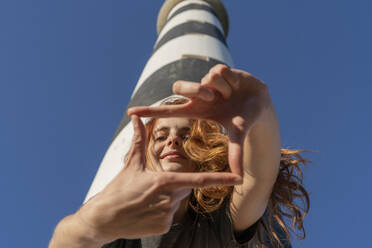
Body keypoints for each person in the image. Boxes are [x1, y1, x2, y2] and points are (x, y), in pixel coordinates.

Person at [49, 64, 309, 248]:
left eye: (187, 135)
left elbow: (258, 177)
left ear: (204, 149)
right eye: (160, 136)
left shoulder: (218, 220)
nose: (172, 139)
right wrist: (86, 227)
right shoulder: (116, 222)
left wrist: (261, 108)